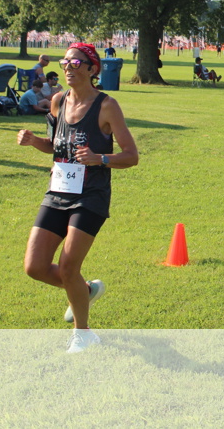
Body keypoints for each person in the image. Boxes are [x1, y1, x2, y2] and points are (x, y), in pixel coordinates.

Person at [17, 43, 139, 353]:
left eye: (75, 62)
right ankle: (84, 291)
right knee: (34, 267)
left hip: (91, 196)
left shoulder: (107, 106)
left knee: (68, 266)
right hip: (58, 191)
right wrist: (33, 141)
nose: (68, 67)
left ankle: (83, 334)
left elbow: (131, 156)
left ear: (92, 68)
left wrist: (100, 158)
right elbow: (55, 145)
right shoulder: (58, 100)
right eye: (65, 61)